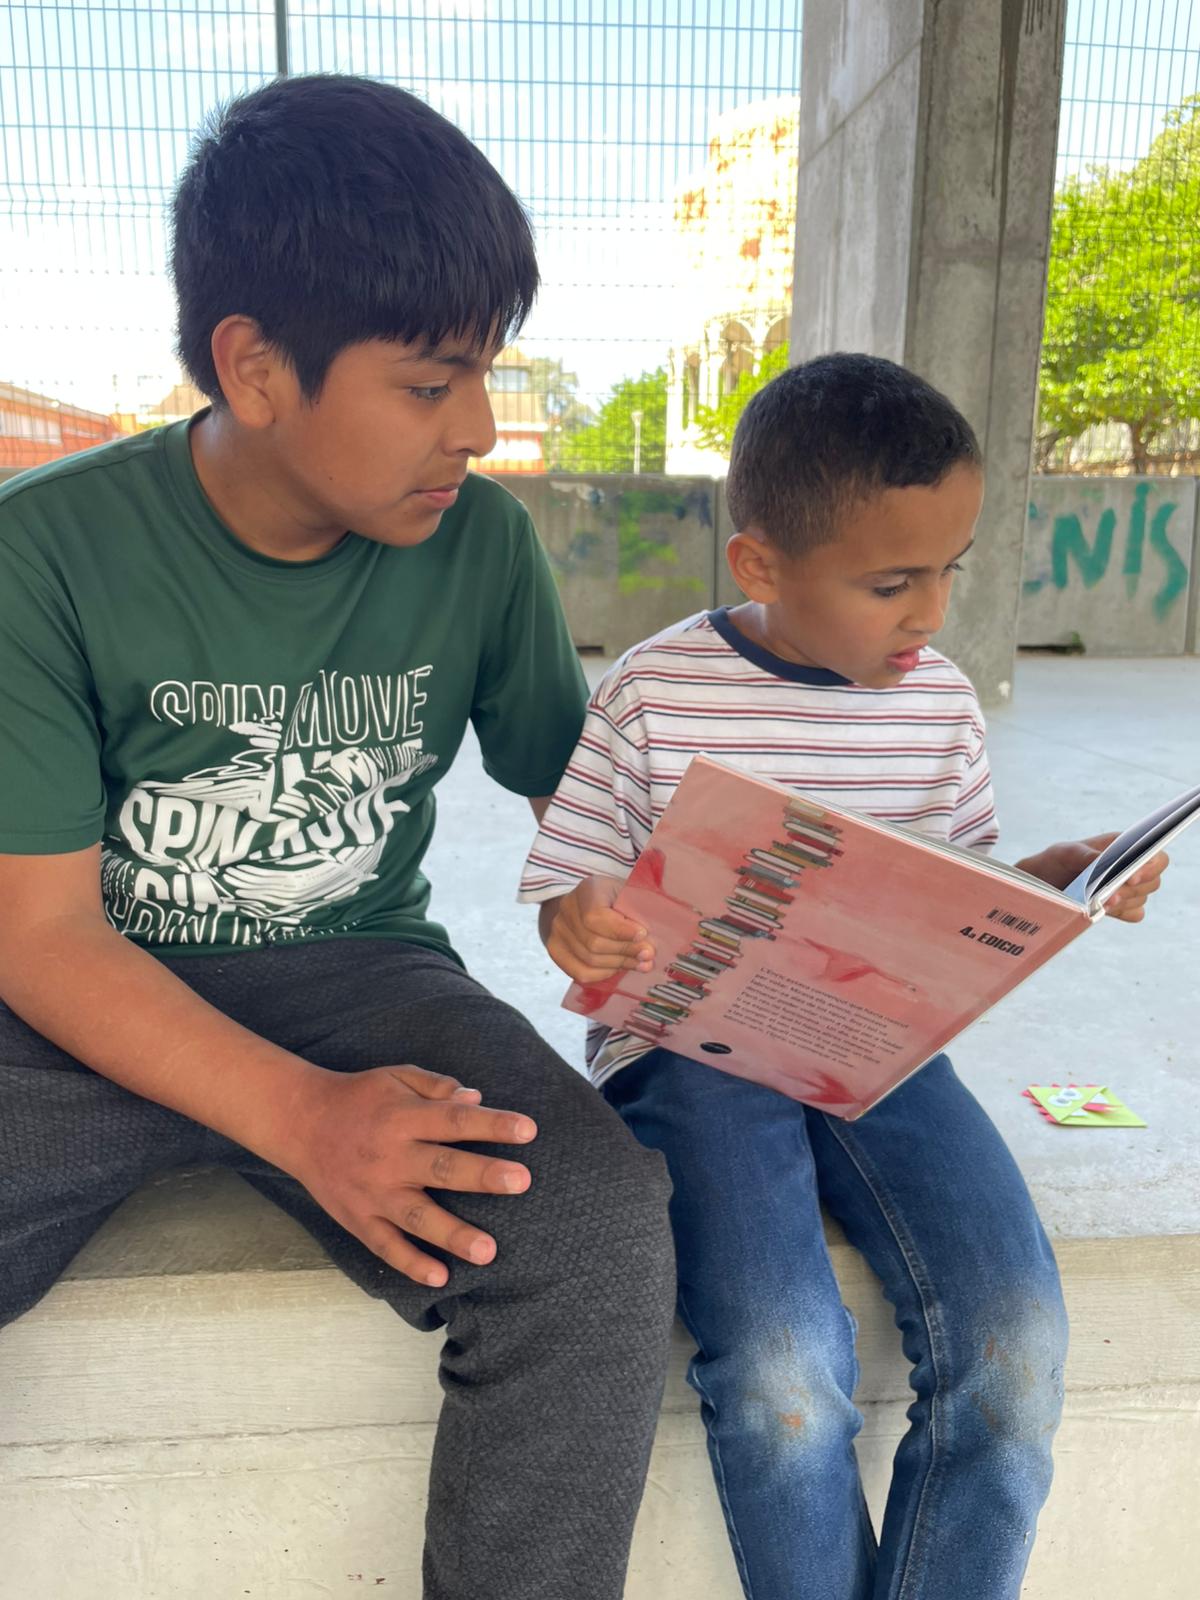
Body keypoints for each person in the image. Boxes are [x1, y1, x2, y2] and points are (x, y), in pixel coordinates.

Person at [0, 75, 675, 1600]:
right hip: (72, 1000)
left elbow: (590, 804)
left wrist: (708, 894)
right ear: (254, 367)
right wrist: (303, 1118)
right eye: (430, 385)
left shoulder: (482, 547)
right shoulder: (39, 554)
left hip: (361, 975)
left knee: (597, 1226)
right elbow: (38, 935)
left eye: (484, 374)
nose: (478, 431)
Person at [521, 353, 1168, 1600]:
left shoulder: (940, 707)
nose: (932, 614)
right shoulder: (654, 691)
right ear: (760, 565)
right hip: (691, 1055)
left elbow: (951, 888)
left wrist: (1052, 882)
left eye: (950, 570)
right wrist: (580, 920)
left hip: (880, 1050)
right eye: (891, 583)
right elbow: (575, 887)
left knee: (1016, 1342)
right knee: (783, 1368)